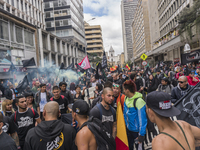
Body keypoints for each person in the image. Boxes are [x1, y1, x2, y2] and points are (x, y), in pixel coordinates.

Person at [123, 80, 147, 150]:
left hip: (137, 132)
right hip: (128, 130)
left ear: (127, 90)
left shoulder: (139, 101)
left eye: (124, 89)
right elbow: (125, 113)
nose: (123, 91)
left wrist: (141, 134)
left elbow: (142, 119)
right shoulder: (126, 98)